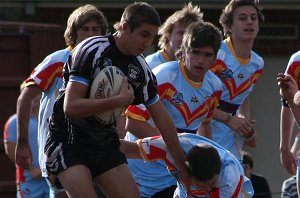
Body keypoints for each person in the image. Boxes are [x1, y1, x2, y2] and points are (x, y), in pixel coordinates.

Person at [43, 2, 190, 198]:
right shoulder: (91, 50)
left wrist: (183, 166)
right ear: (124, 27)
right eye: (144, 35)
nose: (147, 43)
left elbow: (163, 120)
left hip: (105, 143)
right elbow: (71, 107)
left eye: (152, 37)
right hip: (68, 141)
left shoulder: (141, 69)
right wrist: (118, 100)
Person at [15, 4, 108, 198]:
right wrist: (22, 141)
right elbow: (26, 97)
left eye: (95, 29)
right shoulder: (58, 60)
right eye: (84, 29)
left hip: (95, 146)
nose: (90, 34)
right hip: (58, 147)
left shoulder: (106, 64)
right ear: (73, 33)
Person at [124, 21, 223, 197]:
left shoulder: (214, 86)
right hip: (140, 171)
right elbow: (131, 123)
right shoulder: (163, 76)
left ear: (215, 58)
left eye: (208, 55)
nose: (200, 60)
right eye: (195, 52)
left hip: (174, 176)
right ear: (184, 50)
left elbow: (205, 126)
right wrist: (175, 149)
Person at [205, 0, 265, 160]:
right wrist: (229, 119)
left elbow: (244, 95)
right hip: (204, 132)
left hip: (231, 138)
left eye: (254, 17)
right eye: (242, 18)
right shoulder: (215, 54)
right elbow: (198, 99)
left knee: (236, 183)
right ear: (229, 26)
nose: (249, 22)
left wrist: (246, 127)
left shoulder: (258, 63)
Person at [120, 133, 254, 198]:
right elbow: (129, 148)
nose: (208, 190)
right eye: (203, 185)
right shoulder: (171, 146)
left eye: (212, 185)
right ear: (186, 172)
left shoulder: (230, 180)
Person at [3, 82, 49, 198]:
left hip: (51, 180)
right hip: (28, 181)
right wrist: (33, 170)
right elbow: (11, 150)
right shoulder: (15, 121)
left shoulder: (49, 119)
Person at [145, 2, 203, 69]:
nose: (186, 38)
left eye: (190, 34)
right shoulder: (151, 64)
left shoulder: (195, 68)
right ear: (168, 34)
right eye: (181, 33)